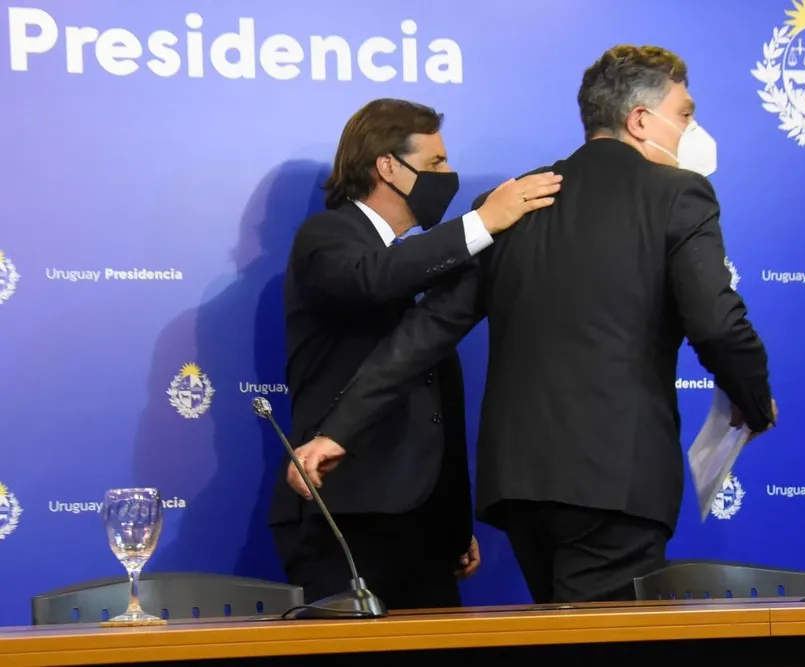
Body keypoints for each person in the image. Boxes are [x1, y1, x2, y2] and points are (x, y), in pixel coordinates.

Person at [293, 47, 777, 604]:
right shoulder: (678, 193)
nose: (694, 129)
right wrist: (753, 399)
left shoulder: (518, 202)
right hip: (614, 481)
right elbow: (717, 324)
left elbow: (426, 332)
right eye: (686, 113)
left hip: (521, 487)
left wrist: (337, 430)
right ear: (641, 120)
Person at [268, 98, 562, 609]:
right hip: (347, 515)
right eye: (435, 164)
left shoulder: (422, 260)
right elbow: (374, 279)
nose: (449, 175)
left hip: (424, 527)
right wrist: (484, 222)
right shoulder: (328, 236)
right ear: (388, 167)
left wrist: (452, 523)